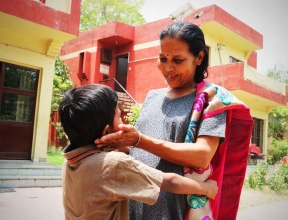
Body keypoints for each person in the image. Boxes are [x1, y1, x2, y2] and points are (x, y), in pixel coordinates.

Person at [95, 22, 253, 220]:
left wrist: (138, 140)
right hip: (133, 208)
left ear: (199, 58)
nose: (168, 67)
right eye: (162, 58)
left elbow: (202, 156)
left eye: (178, 60)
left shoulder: (210, 100)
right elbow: (139, 153)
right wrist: (118, 143)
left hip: (173, 211)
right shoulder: (153, 97)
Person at [59, 84, 218, 220]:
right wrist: (206, 188)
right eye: (119, 116)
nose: (123, 121)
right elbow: (170, 182)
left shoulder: (70, 162)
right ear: (106, 131)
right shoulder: (112, 164)